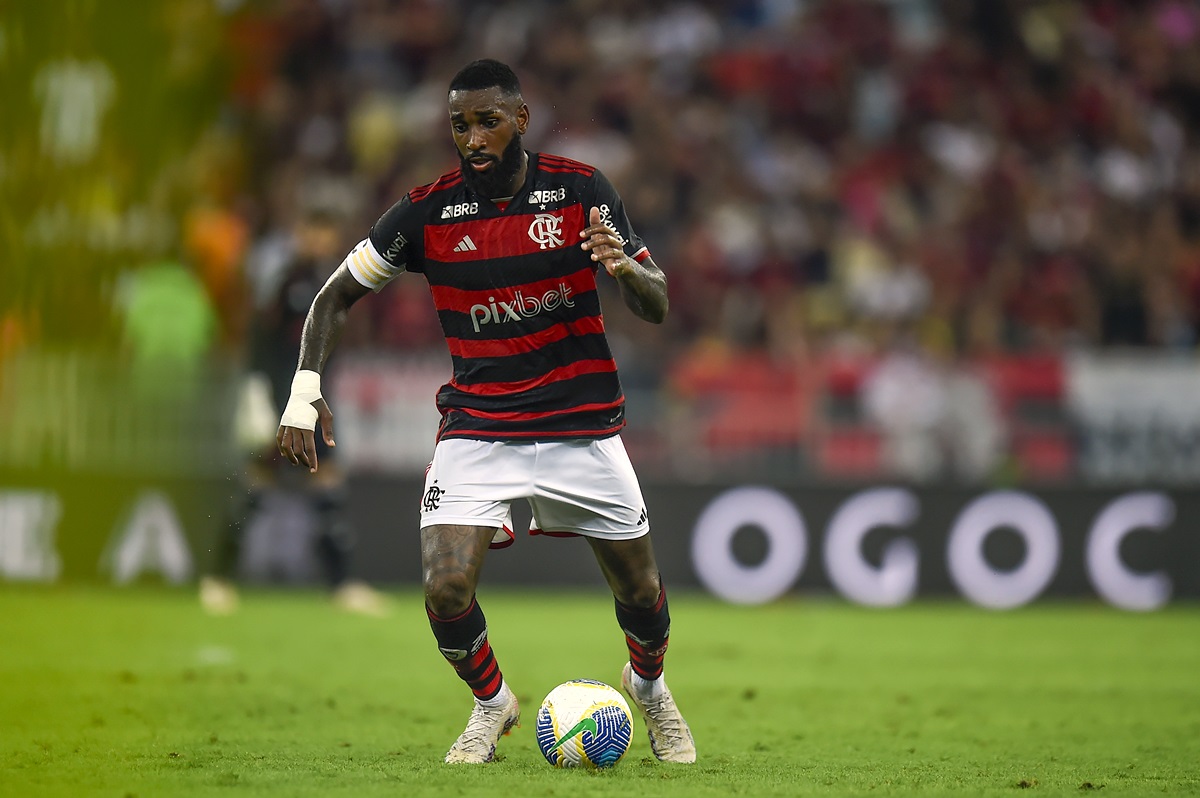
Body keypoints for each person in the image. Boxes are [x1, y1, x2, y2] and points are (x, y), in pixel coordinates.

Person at [275, 59, 696, 765]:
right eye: (460, 124)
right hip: (479, 426)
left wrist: (623, 267)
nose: (473, 137)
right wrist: (302, 390)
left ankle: (649, 688)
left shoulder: (582, 191)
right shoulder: (425, 213)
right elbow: (332, 296)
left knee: (641, 588)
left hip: (581, 424)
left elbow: (657, 304)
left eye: (488, 121)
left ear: (521, 120)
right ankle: (491, 702)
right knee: (444, 587)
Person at [200, 208, 389, 617]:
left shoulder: (336, 280)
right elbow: (261, 336)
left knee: (328, 488)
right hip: (283, 400)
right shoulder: (285, 280)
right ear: (301, 233)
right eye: (314, 231)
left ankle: (343, 585)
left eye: (327, 233)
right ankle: (217, 579)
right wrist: (257, 389)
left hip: (314, 401)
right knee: (256, 486)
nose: (320, 240)